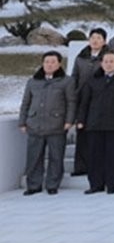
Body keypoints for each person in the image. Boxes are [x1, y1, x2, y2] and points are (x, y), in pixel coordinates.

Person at [19, 51, 75, 195]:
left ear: (59, 64)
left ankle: (52, 184)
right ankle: (33, 185)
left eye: (52, 62)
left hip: (56, 124)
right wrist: (22, 121)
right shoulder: (33, 81)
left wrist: (69, 121)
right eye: (46, 62)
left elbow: (71, 102)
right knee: (34, 156)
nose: (49, 65)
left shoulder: (66, 81)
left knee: (56, 156)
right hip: (34, 123)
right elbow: (26, 103)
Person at [76, 51, 114, 194]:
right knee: (95, 155)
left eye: (111, 61)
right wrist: (81, 119)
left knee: (113, 155)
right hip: (94, 123)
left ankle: (111, 184)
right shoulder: (93, 80)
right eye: (106, 61)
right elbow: (85, 102)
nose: (108, 64)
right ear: (101, 63)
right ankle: (95, 184)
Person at [71, 28, 108, 176]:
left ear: (104, 41)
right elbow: (74, 77)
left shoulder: (108, 57)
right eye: (93, 37)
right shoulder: (81, 58)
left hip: (101, 100)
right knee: (82, 134)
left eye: (99, 38)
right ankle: (80, 167)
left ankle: (98, 166)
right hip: (82, 100)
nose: (95, 40)